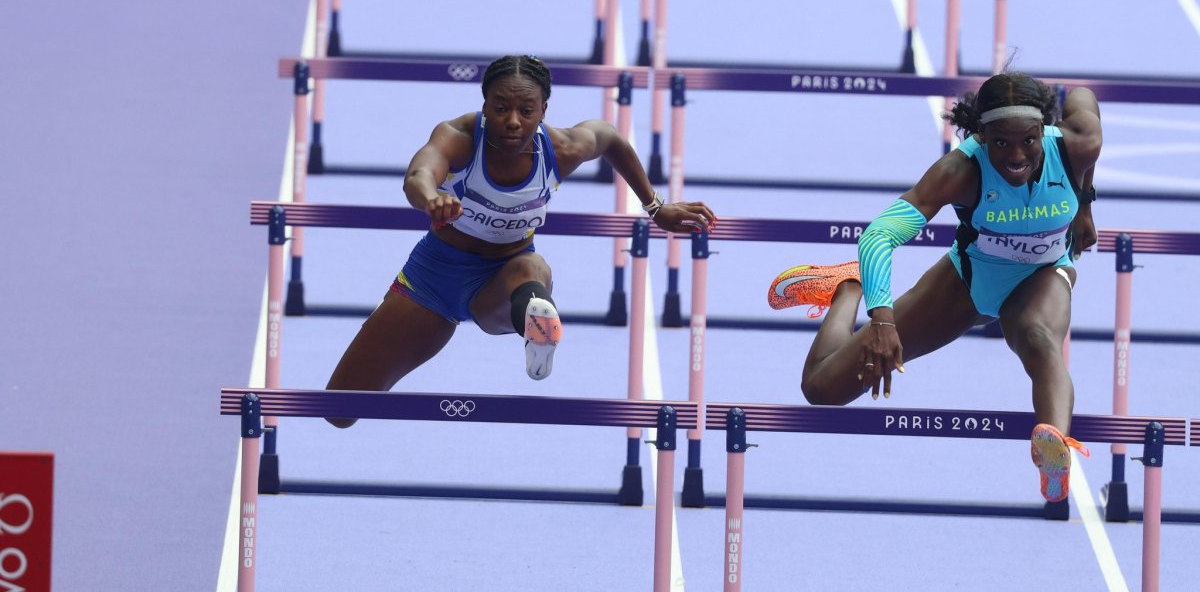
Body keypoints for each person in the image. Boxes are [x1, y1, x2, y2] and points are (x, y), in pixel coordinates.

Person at [325, 54, 716, 427]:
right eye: (500, 108)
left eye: (526, 111)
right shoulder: (459, 137)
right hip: (432, 279)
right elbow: (418, 176)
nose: (512, 121)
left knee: (534, 269)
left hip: (502, 280)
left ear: (544, 110)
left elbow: (610, 138)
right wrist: (432, 198)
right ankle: (533, 317)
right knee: (340, 409)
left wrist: (655, 206)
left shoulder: (561, 149)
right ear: (484, 105)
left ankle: (536, 328)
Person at [768, 72, 1102, 503]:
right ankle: (848, 286)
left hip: (1042, 274)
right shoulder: (958, 171)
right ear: (981, 136)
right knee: (822, 390)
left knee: (1038, 337)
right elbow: (877, 237)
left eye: (1028, 141)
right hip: (969, 280)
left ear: (1044, 131)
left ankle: (1054, 446)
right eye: (1000, 142)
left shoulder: (1076, 145)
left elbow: (1082, 95)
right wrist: (881, 319)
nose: (1016, 156)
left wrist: (1085, 203)